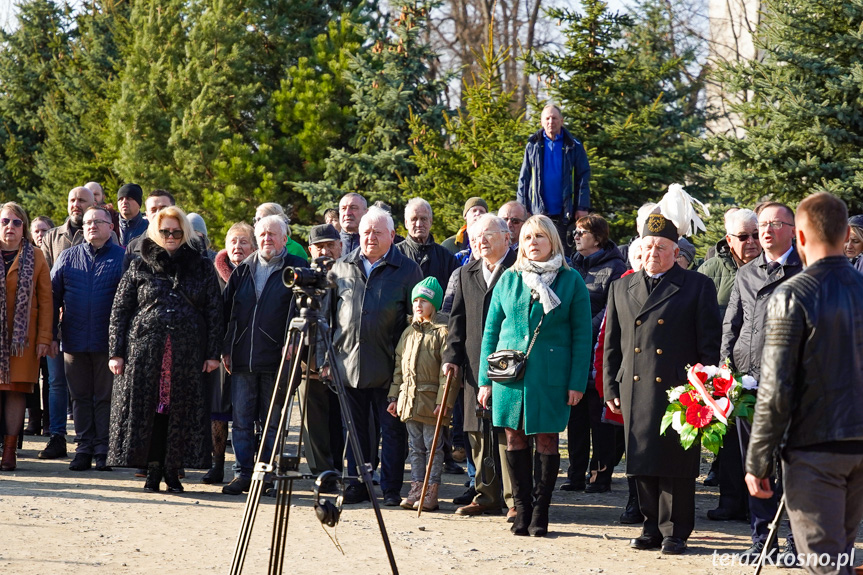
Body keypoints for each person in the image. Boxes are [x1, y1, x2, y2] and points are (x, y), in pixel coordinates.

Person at [745, 192, 863, 575]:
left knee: (824, 564)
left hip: (815, 449)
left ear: (798, 237)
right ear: (847, 234)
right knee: (839, 554)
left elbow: (776, 388)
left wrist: (757, 460)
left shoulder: (793, 294)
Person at [603, 213, 721, 555]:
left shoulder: (697, 286)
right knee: (640, 460)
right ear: (638, 248)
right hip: (634, 387)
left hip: (678, 389)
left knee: (675, 462)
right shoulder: (621, 287)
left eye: (662, 247)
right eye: (648, 246)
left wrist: (705, 388)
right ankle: (650, 524)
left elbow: (709, 344)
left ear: (675, 251)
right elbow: (613, 344)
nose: (653, 252)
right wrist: (611, 387)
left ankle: (675, 531)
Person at [477, 214, 592, 536]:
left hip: (550, 375)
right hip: (509, 375)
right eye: (528, 238)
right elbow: (490, 331)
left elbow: (583, 336)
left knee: (546, 439)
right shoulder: (509, 279)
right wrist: (485, 380)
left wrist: (576, 383)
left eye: (540, 237)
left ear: (552, 241)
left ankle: (541, 511)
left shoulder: (571, 281)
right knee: (513, 437)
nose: (533, 243)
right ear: (520, 244)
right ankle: (522, 509)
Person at [107, 206, 223, 493]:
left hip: (187, 352)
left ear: (184, 233)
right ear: (155, 233)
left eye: (176, 231)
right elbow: (120, 310)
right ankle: (152, 469)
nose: (171, 236)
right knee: (152, 412)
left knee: (179, 412)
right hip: (145, 352)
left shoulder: (201, 265)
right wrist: (115, 351)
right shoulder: (139, 264)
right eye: (165, 231)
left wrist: (212, 353)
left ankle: (173, 471)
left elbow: (214, 311)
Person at [717, 202, 802, 560]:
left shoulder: (805, 269)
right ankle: (761, 539)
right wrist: (724, 368)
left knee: (793, 466)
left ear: (793, 230)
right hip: (748, 386)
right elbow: (731, 324)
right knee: (757, 465)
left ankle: (798, 542)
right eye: (761, 224)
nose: (764, 231)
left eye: (774, 224)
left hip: (791, 386)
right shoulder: (747, 273)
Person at [327, 207, 423, 506]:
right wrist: (324, 361)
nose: (370, 237)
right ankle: (357, 483)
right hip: (348, 364)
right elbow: (327, 318)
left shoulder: (408, 270)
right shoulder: (340, 267)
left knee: (391, 431)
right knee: (354, 431)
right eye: (366, 232)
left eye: (377, 232)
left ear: (392, 236)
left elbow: (416, 321)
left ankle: (391, 487)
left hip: (390, 367)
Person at [220, 215, 307, 495]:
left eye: (273, 234)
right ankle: (243, 474)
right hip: (243, 357)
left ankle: (267, 475)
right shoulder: (243, 270)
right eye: (263, 234)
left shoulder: (298, 269)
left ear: (285, 239)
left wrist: (296, 342)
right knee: (243, 421)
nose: (267, 239)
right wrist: (224, 348)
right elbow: (226, 313)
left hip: (278, 359)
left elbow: (305, 311)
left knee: (272, 422)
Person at [442, 215, 517, 518]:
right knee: (476, 432)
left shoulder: (517, 269)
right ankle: (485, 495)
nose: (480, 242)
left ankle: (514, 500)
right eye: (474, 238)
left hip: (511, 363)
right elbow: (456, 320)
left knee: (506, 431)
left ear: (506, 238)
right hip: (474, 364)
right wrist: (450, 357)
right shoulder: (464, 273)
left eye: (487, 235)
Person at [50, 206, 125, 471]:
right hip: (74, 340)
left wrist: (123, 344)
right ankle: (83, 449)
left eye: (98, 221)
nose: (91, 225)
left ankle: (103, 450)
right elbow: (51, 297)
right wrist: (50, 335)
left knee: (105, 398)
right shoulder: (68, 258)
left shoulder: (123, 258)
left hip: (109, 344)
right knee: (80, 398)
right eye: (88, 222)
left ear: (111, 227)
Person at [564, 214, 626, 493]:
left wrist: (582, 329)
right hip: (573, 353)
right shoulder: (570, 265)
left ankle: (600, 475)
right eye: (575, 232)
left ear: (598, 238)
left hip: (598, 351)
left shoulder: (615, 268)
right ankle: (575, 474)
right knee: (575, 417)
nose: (576, 237)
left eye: (582, 233)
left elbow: (611, 309)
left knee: (598, 418)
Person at [40, 187, 100, 460]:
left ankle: (92, 441)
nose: (76, 204)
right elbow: (46, 283)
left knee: (88, 388)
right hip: (58, 322)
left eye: (82, 201)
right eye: (72, 200)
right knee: (55, 383)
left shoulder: (100, 231)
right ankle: (57, 437)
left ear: (93, 203)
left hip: (89, 325)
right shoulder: (52, 237)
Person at [387, 277, 457, 511]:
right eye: (415, 300)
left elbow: (447, 374)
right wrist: (394, 397)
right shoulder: (409, 332)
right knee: (415, 447)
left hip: (431, 402)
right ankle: (416, 486)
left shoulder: (442, 332)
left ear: (434, 305)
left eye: (424, 301)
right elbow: (399, 367)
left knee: (433, 447)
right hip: (410, 400)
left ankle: (431, 489)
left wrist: (443, 402)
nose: (418, 304)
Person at [0, 203, 53, 471]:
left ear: (24, 227)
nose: (10, 227)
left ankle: (9, 452)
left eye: (17, 222)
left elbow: (46, 300)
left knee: (16, 392)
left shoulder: (37, 255)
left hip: (23, 339)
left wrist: (45, 337)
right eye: (5, 221)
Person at [205, 222, 256, 485]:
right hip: (218, 351)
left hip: (250, 352)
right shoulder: (212, 272)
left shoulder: (258, 271)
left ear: (254, 246)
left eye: (244, 241)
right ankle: (216, 464)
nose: (238, 247)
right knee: (219, 411)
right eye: (233, 241)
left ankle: (248, 467)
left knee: (246, 413)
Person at [300, 224, 344, 484]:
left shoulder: (349, 274)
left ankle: (341, 469)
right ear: (310, 250)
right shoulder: (303, 278)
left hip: (341, 359)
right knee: (313, 421)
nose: (325, 251)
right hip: (308, 362)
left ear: (340, 246)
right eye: (320, 247)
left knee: (340, 421)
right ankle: (322, 474)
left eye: (330, 245)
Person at [516, 103, 591, 248]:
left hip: (565, 213)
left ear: (561, 121)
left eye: (554, 118)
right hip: (539, 212)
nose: (551, 122)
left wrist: (582, 206)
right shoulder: (533, 145)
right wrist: (523, 209)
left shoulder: (573, 145)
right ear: (542, 122)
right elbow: (524, 179)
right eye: (548, 118)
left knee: (563, 252)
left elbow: (583, 177)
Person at [697, 208, 761, 318]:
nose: (751, 241)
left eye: (756, 235)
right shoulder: (708, 271)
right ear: (729, 240)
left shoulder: (775, 267)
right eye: (743, 236)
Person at [24, 215, 54, 436]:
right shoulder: (25, 257)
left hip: (48, 325)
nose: (40, 234)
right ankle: (33, 418)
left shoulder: (51, 254)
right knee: (32, 379)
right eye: (37, 231)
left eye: (44, 230)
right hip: (25, 329)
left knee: (50, 377)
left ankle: (49, 421)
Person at [397, 198, 458, 289]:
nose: (419, 224)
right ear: (406, 223)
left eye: (423, 219)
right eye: (414, 219)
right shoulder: (394, 255)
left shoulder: (446, 258)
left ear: (430, 221)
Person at [123, 189, 176, 270]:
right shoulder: (134, 247)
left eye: (163, 209)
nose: (158, 214)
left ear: (174, 211)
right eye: (153, 210)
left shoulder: (188, 243)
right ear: (147, 215)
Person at [115, 183, 148, 248]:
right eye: (121, 199)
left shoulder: (148, 228)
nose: (124, 202)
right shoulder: (110, 226)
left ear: (139, 203)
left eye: (129, 198)